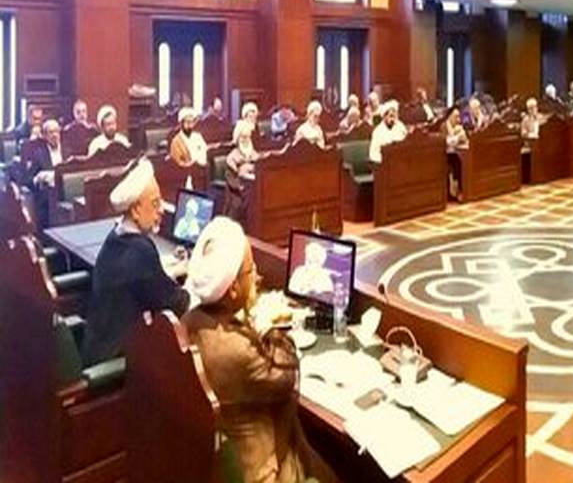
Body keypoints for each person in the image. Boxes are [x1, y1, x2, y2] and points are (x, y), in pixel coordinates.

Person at [183, 218, 338, 483]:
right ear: (232, 288)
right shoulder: (237, 351)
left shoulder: (190, 321)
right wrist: (268, 324)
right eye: (250, 270)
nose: (257, 276)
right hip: (262, 468)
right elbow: (288, 372)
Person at [81, 159, 192, 365]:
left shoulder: (116, 236)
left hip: (96, 347)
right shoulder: (141, 250)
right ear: (135, 211)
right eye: (155, 203)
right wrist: (196, 283)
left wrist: (167, 269)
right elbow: (175, 302)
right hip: (114, 361)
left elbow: (144, 279)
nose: (161, 210)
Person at [24, 119, 64, 229]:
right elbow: (28, 179)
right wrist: (39, 178)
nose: (54, 135)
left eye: (56, 131)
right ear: (45, 136)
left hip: (66, 192)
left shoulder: (68, 151)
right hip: (47, 198)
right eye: (51, 132)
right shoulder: (38, 155)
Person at [225, 120, 259, 222]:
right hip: (238, 192)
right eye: (243, 137)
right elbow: (231, 179)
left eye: (248, 137)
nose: (246, 140)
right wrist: (241, 186)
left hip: (255, 188)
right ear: (238, 138)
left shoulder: (255, 155)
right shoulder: (232, 157)